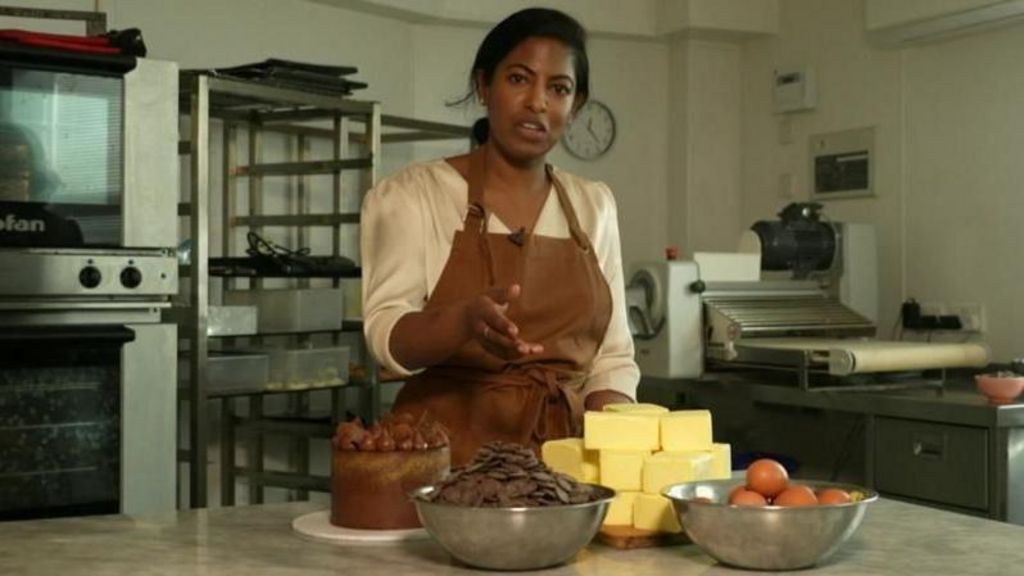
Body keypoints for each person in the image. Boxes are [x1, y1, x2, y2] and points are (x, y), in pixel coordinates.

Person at [361, 7, 639, 465]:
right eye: (518, 79)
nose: (538, 102)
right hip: (441, 461)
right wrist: (461, 323)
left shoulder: (593, 205)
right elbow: (386, 336)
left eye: (559, 88)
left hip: (562, 465)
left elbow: (612, 358)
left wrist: (615, 458)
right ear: (483, 86)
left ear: (576, 106)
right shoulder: (414, 195)